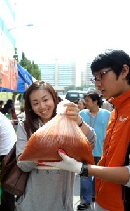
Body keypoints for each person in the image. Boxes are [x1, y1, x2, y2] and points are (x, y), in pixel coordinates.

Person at [46, 50, 130, 211]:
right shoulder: (117, 110)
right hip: (104, 201)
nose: (97, 83)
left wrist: (82, 168)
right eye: (95, 78)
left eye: (102, 75)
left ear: (124, 71)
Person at [15, 80, 96, 211]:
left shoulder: (68, 120)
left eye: (45, 100)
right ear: (30, 106)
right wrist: (41, 149)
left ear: (54, 99)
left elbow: (91, 143)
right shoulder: (25, 126)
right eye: (35, 103)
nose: (42, 106)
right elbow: (22, 164)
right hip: (31, 202)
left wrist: (79, 121)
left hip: (62, 202)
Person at [77, 92, 111, 210]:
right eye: (85, 100)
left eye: (88, 101)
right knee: (84, 176)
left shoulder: (107, 114)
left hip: (102, 151)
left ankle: (94, 196)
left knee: (98, 176)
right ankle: (85, 200)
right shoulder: (81, 114)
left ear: (95, 101)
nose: (85, 103)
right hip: (85, 152)